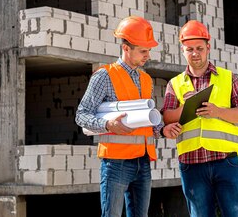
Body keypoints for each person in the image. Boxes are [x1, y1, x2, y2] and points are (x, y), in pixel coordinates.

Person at [76, 15, 182, 217]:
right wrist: (107, 124)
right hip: (116, 163)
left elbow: (146, 122)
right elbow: (81, 115)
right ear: (126, 48)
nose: (147, 56)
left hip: (143, 162)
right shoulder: (104, 76)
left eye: (148, 50)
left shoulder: (146, 79)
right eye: (143, 51)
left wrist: (163, 130)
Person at [162, 20, 238, 217]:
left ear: (208, 48)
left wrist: (218, 111)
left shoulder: (228, 78)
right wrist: (185, 108)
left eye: (200, 48)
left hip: (225, 161)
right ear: (183, 51)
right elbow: (166, 117)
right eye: (190, 49)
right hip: (191, 164)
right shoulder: (175, 83)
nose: (195, 53)